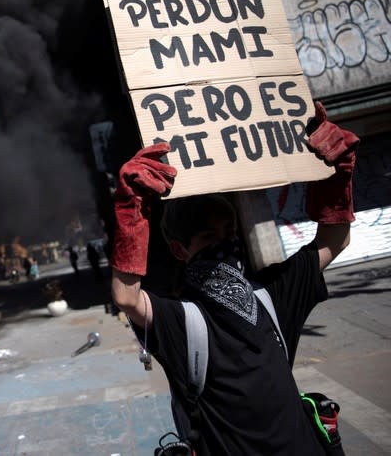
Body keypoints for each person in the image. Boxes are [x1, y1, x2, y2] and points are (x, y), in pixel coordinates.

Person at [110, 102, 355, 455]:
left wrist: (338, 174)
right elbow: (127, 297)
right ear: (180, 251)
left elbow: (335, 240)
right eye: (209, 237)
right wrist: (132, 209)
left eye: (229, 231)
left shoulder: (271, 296)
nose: (225, 242)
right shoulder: (182, 320)